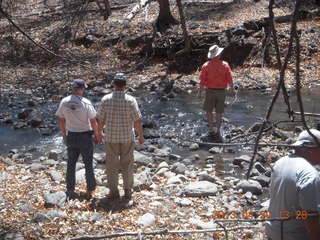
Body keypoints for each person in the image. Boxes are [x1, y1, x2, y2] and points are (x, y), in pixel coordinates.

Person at [96, 73, 144, 201]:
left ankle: (114, 191)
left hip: (111, 137)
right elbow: (137, 121)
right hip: (127, 137)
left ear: (113, 84)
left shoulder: (106, 99)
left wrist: (99, 133)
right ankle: (128, 191)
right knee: (127, 164)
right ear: (125, 85)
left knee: (111, 165)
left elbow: (100, 120)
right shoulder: (131, 100)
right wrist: (140, 136)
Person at [265, 129, 320, 240]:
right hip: (293, 235)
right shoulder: (310, 175)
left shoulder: (280, 162)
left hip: (271, 230)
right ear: (311, 148)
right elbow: (311, 219)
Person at [56, 79, 98, 200]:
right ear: (80, 89)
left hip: (72, 136)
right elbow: (93, 120)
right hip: (85, 136)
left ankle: (70, 188)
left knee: (71, 163)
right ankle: (90, 187)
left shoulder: (64, 102)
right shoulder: (86, 102)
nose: (84, 90)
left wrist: (64, 134)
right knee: (88, 163)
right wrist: (96, 134)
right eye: (83, 88)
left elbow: (61, 119)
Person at [198, 44, 235, 139]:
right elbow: (230, 78)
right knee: (219, 111)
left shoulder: (205, 65)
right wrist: (232, 88)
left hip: (210, 91)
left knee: (209, 111)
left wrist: (200, 92)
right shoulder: (225, 65)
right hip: (221, 91)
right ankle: (218, 130)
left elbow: (202, 80)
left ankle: (211, 129)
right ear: (219, 55)